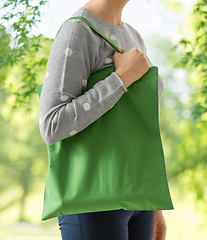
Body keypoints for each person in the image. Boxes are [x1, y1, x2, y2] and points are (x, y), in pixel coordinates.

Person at [38, 0, 168, 239]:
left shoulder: (134, 35)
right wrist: (119, 80)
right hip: (92, 201)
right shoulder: (78, 30)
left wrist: (153, 203)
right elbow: (52, 124)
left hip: (138, 197)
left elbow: (141, 123)